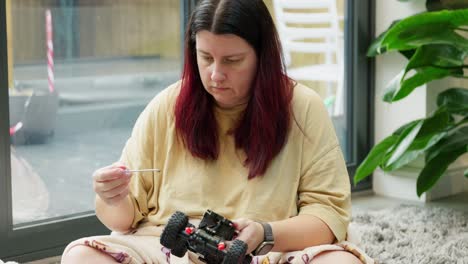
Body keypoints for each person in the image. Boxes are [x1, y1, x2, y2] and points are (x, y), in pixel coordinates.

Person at [62, 0, 374, 263]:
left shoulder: (303, 107)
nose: (215, 74)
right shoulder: (167, 105)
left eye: (233, 60)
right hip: (169, 251)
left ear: (261, 56)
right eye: (206, 57)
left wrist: (265, 234)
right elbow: (124, 220)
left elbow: (329, 218)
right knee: (80, 257)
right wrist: (111, 196)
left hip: (268, 252)